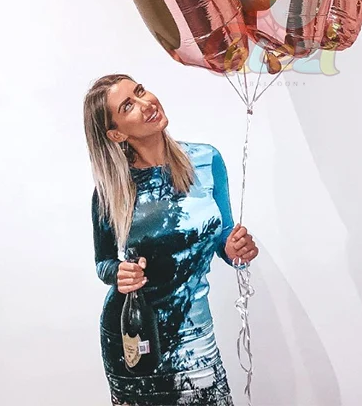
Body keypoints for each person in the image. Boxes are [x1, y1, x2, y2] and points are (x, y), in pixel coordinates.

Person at [83, 73, 259, 406]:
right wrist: (119, 273)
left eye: (140, 91)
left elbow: (223, 235)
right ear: (117, 133)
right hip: (136, 337)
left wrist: (235, 249)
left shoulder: (206, 160)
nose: (146, 103)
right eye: (128, 106)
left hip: (195, 330)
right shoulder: (112, 189)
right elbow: (103, 263)